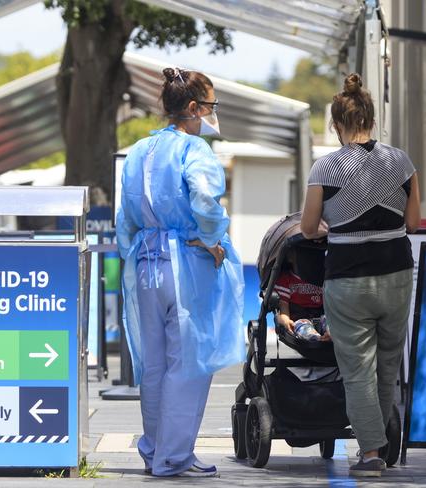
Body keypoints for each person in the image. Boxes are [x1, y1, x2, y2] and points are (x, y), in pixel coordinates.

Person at [116, 67, 245, 478]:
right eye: (211, 106)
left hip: (144, 264)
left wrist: (133, 253)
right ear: (193, 108)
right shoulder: (195, 150)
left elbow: (125, 220)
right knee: (186, 363)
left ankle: (155, 449)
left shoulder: (138, 151)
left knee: (152, 363)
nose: (212, 114)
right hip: (186, 264)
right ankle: (173, 457)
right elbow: (206, 199)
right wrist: (212, 239)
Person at [300, 73, 421, 477]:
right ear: (372, 117)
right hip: (397, 275)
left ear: (337, 124)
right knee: (387, 366)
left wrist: (336, 226)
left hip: (348, 278)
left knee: (357, 370)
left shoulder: (326, 167)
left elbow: (307, 227)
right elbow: (415, 223)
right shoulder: (400, 161)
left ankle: (370, 453)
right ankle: (380, 443)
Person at [273, 247, 331, 341]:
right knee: (303, 328)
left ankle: (330, 334)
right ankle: (317, 339)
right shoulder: (286, 280)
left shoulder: (323, 277)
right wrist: (285, 320)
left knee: (333, 322)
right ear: (290, 257)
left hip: (322, 316)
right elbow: (283, 308)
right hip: (299, 319)